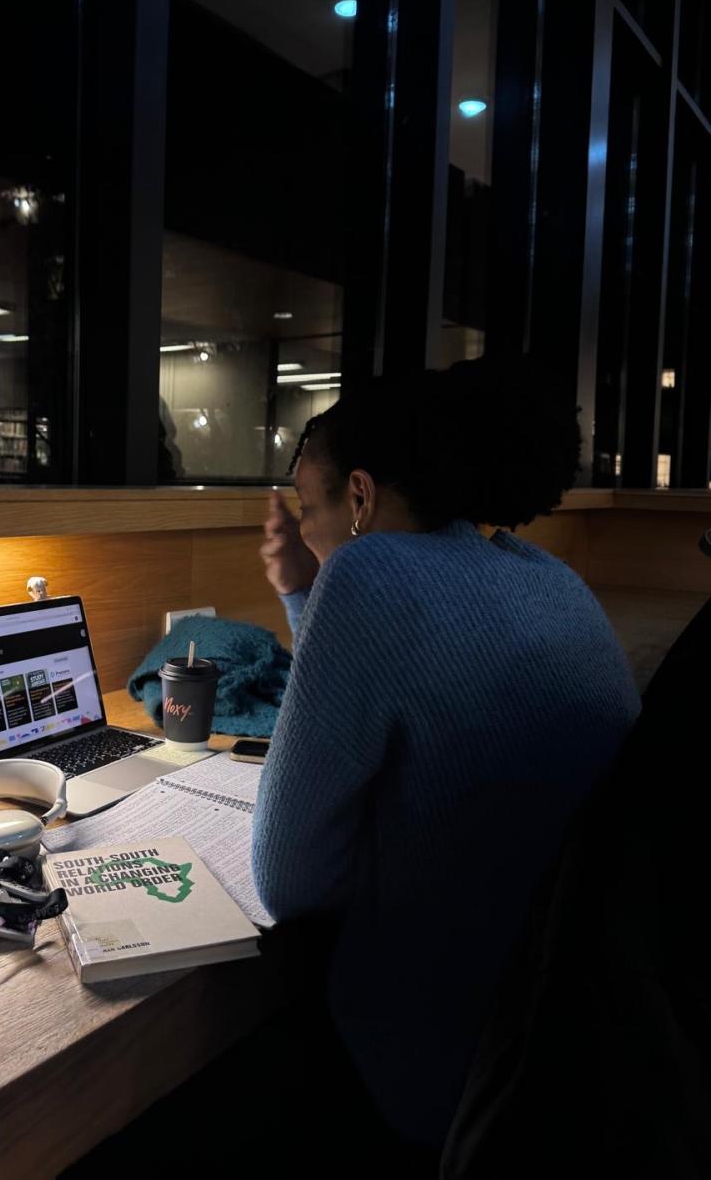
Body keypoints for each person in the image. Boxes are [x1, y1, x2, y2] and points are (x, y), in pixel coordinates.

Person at [251, 356, 641, 1167]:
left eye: (310, 508)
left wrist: (317, 588)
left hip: (441, 1069)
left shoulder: (366, 573)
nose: (306, 531)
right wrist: (302, 590)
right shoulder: (551, 578)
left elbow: (290, 883)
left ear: (360, 497)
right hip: (581, 1057)